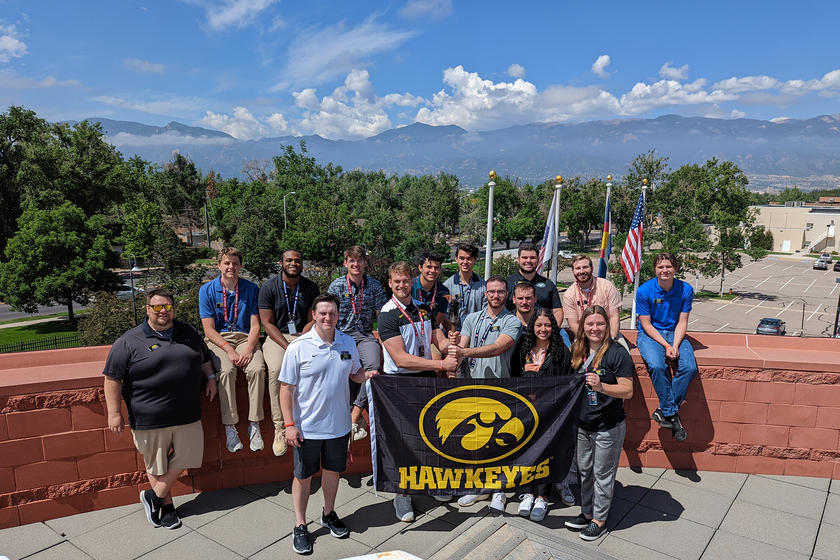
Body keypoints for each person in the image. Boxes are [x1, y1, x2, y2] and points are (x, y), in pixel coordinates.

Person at [103, 289, 217, 530]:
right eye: (157, 307)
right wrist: (114, 413)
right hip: (149, 416)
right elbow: (112, 378)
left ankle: (153, 495)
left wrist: (211, 378)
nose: (163, 311)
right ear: (147, 309)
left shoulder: (187, 332)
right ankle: (166, 508)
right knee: (157, 464)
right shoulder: (128, 341)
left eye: (167, 306)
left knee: (190, 454)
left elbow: (204, 357)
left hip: (187, 412)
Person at [278, 294, 377, 554]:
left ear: (337, 315)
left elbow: (353, 372)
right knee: (303, 476)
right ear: (314, 315)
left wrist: (366, 375)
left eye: (332, 313)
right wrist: (289, 424)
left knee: (333, 472)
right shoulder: (298, 347)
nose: (327, 317)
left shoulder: (346, 342)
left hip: (339, 426)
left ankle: (328, 513)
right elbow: (286, 389)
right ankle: (300, 524)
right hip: (306, 427)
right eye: (322, 313)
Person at [379, 261, 459, 522]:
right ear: (390, 283)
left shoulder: (423, 309)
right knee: (403, 441)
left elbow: (439, 340)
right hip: (401, 383)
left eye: (405, 280)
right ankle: (402, 495)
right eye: (397, 281)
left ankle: (433, 483)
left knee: (430, 435)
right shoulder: (387, 314)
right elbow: (401, 359)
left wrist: (453, 345)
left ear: (410, 281)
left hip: (426, 379)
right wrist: (441, 363)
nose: (402, 285)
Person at [451, 276, 521, 512]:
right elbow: (461, 343)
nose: (495, 296)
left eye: (500, 292)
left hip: (500, 388)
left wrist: (464, 351)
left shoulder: (512, 320)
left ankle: (499, 490)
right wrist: (455, 347)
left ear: (507, 295)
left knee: (500, 441)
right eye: (491, 291)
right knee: (477, 440)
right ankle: (478, 487)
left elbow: (499, 347)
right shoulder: (472, 318)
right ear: (485, 294)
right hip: (473, 386)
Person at [564, 305, 633, 541]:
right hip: (583, 425)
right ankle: (587, 512)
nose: (595, 329)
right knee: (585, 471)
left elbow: (628, 391)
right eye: (590, 324)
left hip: (608, 426)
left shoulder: (617, 353)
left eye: (600, 324)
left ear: (607, 326)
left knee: (603, 473)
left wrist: (602, 387)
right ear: (583, 326)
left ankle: (599, 520)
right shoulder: (577, 350)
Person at [198, 247, 266, 453]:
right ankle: (230, 426)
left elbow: (256, 326)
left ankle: (254, 424)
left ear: (240, 266)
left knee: (257, 369)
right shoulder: (207, 290)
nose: (231, 267)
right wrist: (229, 350)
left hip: (246, 338)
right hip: (220, 340)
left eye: (235, 263)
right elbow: (208, 329)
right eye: (227, 263)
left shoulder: (251, 288)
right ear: (219, 265)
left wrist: (249, 349)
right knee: (226, 372)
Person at [511, 308, 573, 522]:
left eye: (547, 325)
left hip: (550, 412)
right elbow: (514, 374)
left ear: (553, 327)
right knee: (527, 450)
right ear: (532, 327)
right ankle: (527, 493)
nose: (543, 329)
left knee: (545, 453)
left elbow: (567, 380)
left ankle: (542, 497)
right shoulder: (523, 347)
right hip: (526, 411)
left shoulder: (560, 351)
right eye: (539, 325)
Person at [259, 249, 320, 456]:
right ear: (281, 263)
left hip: (304, 336)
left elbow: (315, 317)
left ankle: (309, 421)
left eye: (297, 261)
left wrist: (304, 334)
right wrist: (288, 346)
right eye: (289, 260)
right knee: (276, 371)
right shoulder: (269, 287)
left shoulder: (311, 287)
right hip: (278, 339)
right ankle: (280, 428)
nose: (293, 263)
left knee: (314, 370)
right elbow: (267, 323)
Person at [635, 252, 697, 442]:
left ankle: (665, 411)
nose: (665, 270)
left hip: (675, 333)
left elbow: (682, 321)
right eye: (661, 267)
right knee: (657, 366)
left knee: (689, 368)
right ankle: (672, 415)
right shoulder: (644, 291)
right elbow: (645, 324)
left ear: (675, 268)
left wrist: (675, 345)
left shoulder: (685, 289)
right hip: (650, 335)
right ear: (655, 269)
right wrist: (665, 345)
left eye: (668, 266)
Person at [327, 246, 387, 442]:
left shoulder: (375, 285)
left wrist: (386, 341)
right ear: (345, 264)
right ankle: (354, 417)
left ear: (365, 263)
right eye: (351, 261)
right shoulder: (336, 286)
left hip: (365, 335)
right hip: (342, 337)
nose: (356, 264)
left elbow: (381, 316)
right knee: (342, 368)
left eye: (359, 260)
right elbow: (328, 314)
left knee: (372, 368)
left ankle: (355, 413)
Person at [561, 255, 628, 352]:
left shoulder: (607, 286)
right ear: (573, 271)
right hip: (584, 337)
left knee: (625, 356)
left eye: (585, 267)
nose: (581, 271)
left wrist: (611, 340)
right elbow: (573, 324)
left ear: (592, 268)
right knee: (573, 360)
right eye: (578, 268)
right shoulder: (569, 294)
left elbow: (614, 317)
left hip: (608, 335)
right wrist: (589, 341)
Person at [506, 243, 568, 346]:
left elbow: (557, 311)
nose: (528, 261)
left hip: (545, 331)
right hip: (516, 332)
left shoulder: (548, 284)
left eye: (532, 258)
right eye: (524, 257)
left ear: (538, 259)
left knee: (564, 339)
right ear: (518, 259)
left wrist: (550, 331)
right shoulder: (507, 284)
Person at [442, 243, 486, 331]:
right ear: (456, 259)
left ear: (475, 260)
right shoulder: (447, 286)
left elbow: (485, 313)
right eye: (462, 258)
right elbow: (444, 315)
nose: (465, 262)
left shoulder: (483, 286)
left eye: (469, 258)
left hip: (474, 334)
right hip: (453, 333)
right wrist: (453, 334)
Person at [411, 252, 452, 334]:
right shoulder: (409, 286)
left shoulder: (444, 291)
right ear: (420, 267)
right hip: (410, 330)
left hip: (430, 332)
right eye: (429, 267)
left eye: (436, 268)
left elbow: (439, 319)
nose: (433, 271)